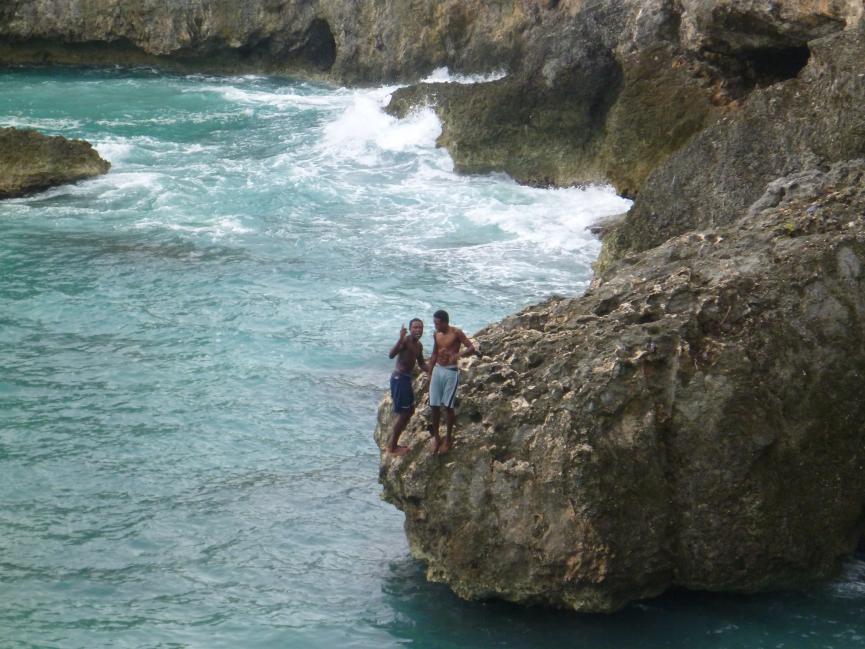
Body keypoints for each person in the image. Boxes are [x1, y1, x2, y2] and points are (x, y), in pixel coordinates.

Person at [428, 309, 477, 455]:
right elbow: (434, 353)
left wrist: (458, 354)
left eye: (437, 323)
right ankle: (437, 437)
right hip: (438, 370)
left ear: (445, 322)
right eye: (434, 323)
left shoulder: (456, 333)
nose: (435, 326)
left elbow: (471, 348)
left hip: (451, 372)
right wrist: (429, 372)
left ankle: (448, 439)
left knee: (448, 406)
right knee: (434, 405)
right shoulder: (436, 334)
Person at [386, 318, 427, 455]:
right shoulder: (405, 341)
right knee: (404, 413)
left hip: (406, 379)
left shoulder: (419, 346)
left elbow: (422, 364)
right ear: (410, 329)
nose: (418, 330)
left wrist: (435, 369)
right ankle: (392, 447)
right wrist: (400, 339)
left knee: (409, 411)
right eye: (415, 327)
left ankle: (393, 443)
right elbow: (391, 355)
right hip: (399, 379)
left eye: (420, 327)